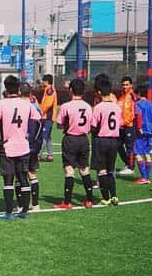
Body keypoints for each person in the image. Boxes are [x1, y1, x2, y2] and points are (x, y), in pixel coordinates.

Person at [0, 75, 39, 220]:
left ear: (5, 88)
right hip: (23, 146)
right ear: (18, 88)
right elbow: (39, 122)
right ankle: (24, 211)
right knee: (23, 178)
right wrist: (33, 139)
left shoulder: (1, 104)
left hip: (7, 147)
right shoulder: (27, 103)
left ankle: (9, 213)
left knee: (8, 181)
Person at [55, 78, 96, 209]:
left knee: (69, 170)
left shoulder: (66, 106)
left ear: (71, 90)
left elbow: (59, 125)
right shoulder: (88, 106)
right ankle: (89, 200)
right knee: (84, 170)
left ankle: (67, 202)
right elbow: (91, 126)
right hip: (84, 139)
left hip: (70, 139)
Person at [91, 75, 123, 206]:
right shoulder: (116, 107)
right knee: (110, 169)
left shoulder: (98, 107)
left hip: (101, 140)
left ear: (99, 92)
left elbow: (93, 126)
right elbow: (120, 124)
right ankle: (114, 195)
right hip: (114, 141)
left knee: (101, 170)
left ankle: (105, 198)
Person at [20, 82, 43, 211]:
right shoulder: (35, 107)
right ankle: (35, 204)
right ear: (30, 93)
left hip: (21, 145)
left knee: (20, 174)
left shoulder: (17, 107)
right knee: (32, 174)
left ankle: (22, 204)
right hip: (33, 145)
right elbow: (40, 125)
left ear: (19, 92)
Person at [133, 86, 152, 185]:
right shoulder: (151, 104)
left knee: (137, 153)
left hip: (140, 132)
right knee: (147, 154)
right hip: (149, 131)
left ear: (138, 94)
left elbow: (139, 115)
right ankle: (147, 177)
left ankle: (144, 177)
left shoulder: (137, 104)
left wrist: (139, 127)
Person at [116, 76, 137, 175]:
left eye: (127, 85)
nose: (124, 86)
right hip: (121, 126)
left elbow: (133, 112)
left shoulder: (132, 96)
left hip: (129, 125)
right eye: (123, 85)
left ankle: (131, 167)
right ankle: (127, 163)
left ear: (131, 85)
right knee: (117, 145)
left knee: (130, 146)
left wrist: (125, 122)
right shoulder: (121, 96)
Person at [39, 74, 58, 162]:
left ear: (46, 81)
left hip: (47, 117)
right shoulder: (47, 89)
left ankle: (38, 155)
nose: (42, 82)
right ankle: (50, 155)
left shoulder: (49, 90)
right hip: (48, 117)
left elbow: (48, 104)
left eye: (43, 80)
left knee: (43, 136)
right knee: (48, 136)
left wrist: (41, 112)